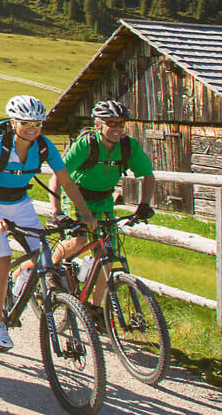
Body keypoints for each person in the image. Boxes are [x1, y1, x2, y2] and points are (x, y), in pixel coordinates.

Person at [0, 93, 96, 350]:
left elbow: (66, 180)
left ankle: (17, 284)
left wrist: (85, 213)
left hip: (20, 203)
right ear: (13, 122)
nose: (32, 129)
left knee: (43, 254)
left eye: (37, 124)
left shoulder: (44, 146)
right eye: (26, 123)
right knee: (2, 262)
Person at [53, 100, 157, 311]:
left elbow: (148, 175)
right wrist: (56, 211)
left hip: (103, 200)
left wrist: (145, 204)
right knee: (79, 239)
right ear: (99, 125)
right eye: (112, 123)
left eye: (121, 123)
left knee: (108, 258)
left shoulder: (129, 146)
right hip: (75, 196)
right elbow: (58, 176)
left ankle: (96, 308)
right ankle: (52, 268)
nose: (117, 128)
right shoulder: (86, 144)